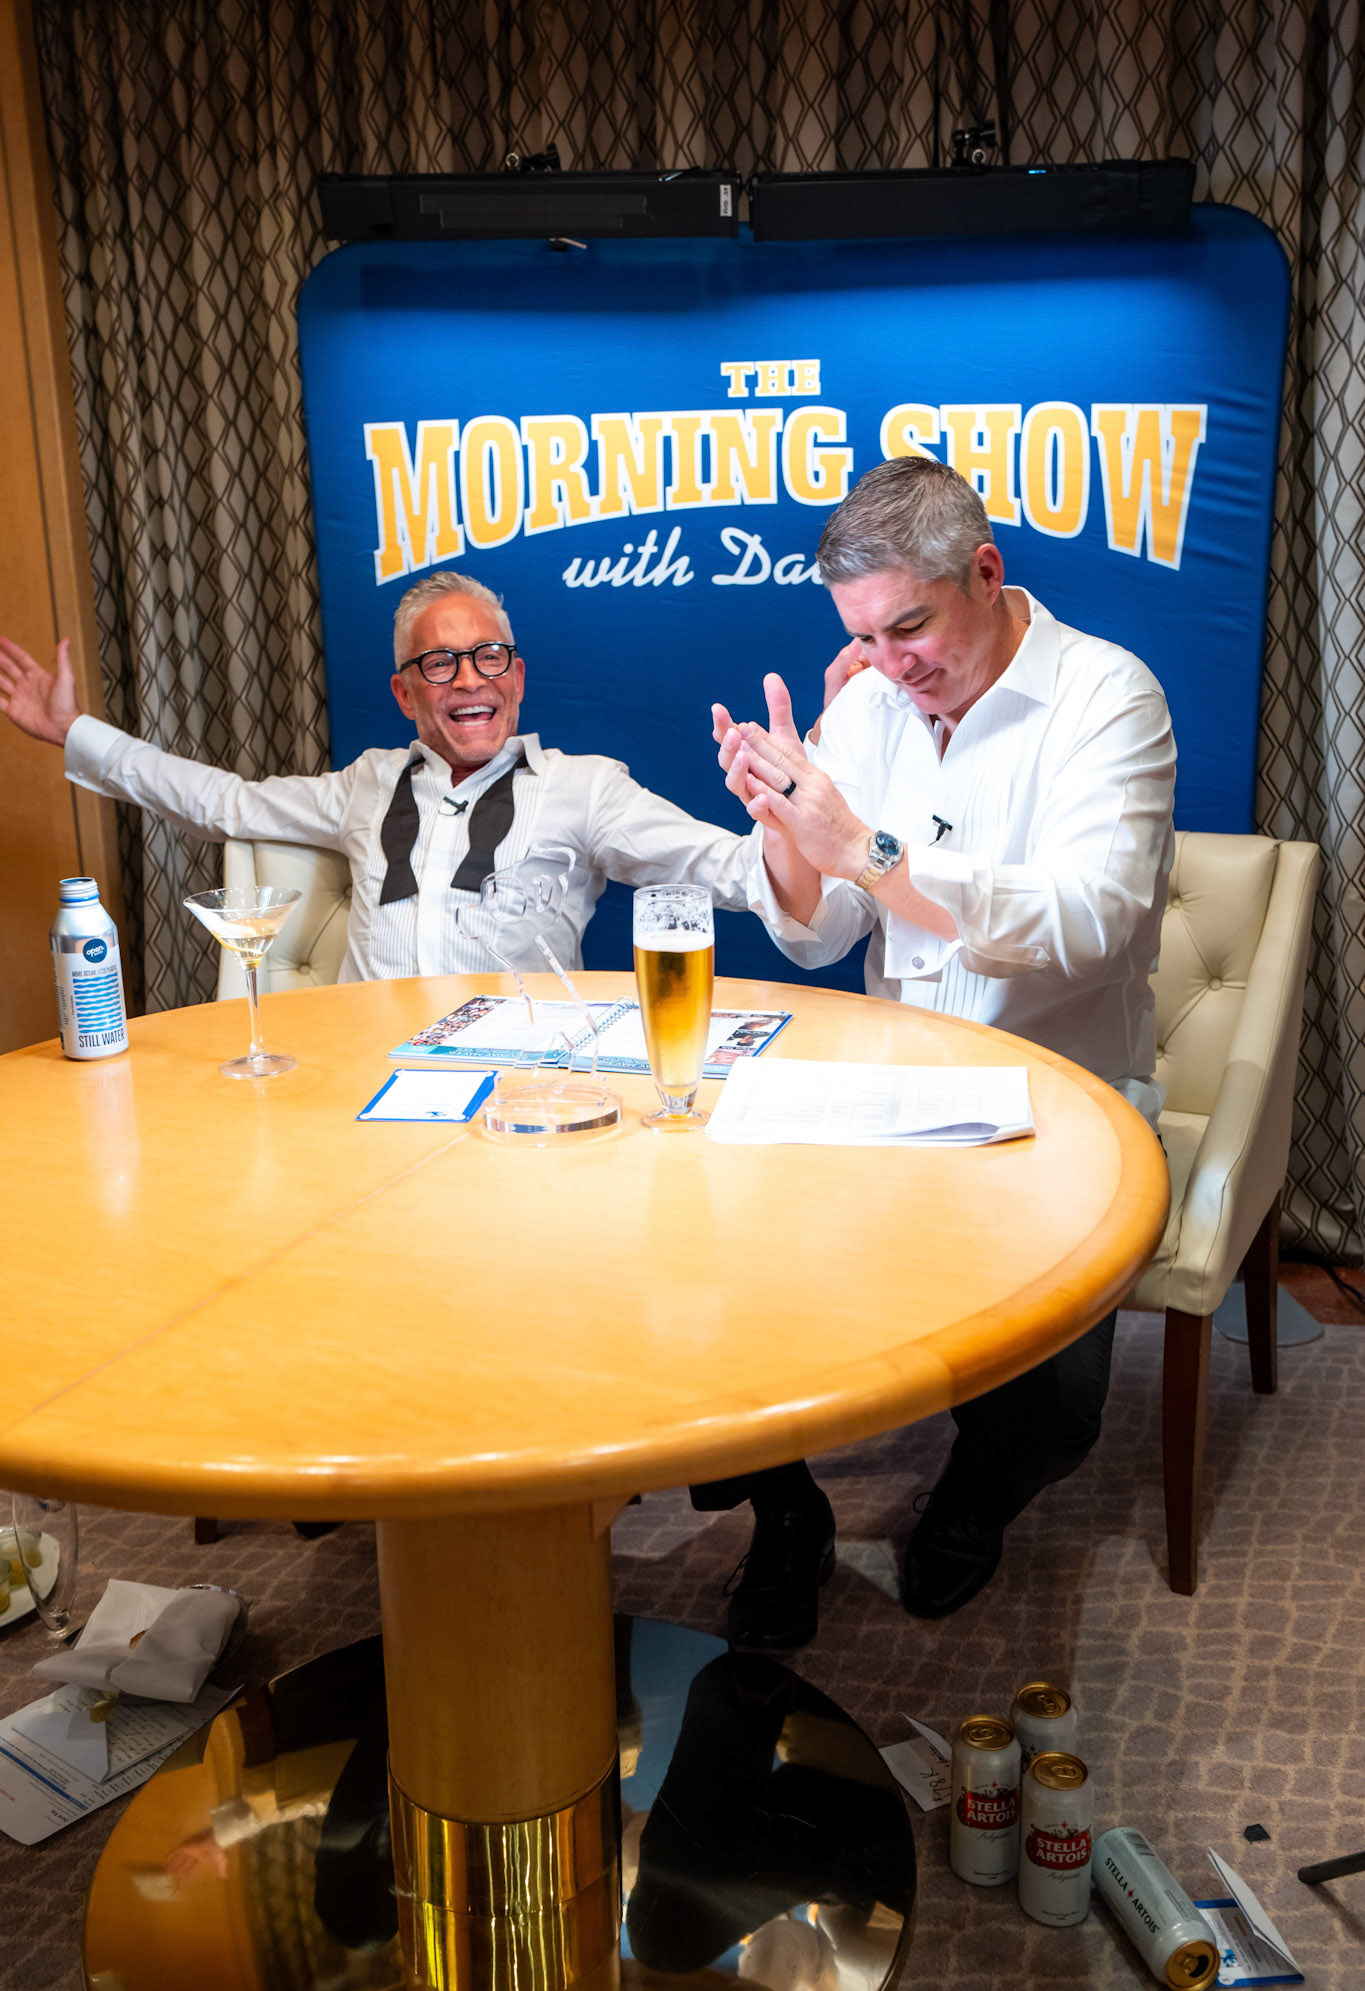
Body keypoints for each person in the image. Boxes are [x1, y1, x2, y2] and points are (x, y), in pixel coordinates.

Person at [704, 455, 1176, 1650]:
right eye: (862, 635)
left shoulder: (1110, 695)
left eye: (909, 626)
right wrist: (786, 832)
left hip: (1064, 1100)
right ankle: (788, 1509)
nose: (888, 663)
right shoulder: (868, 704)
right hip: (894, 1090)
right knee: (708, 1273)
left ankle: (975, 1490)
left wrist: (864, 847)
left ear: (986, 571)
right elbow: (821, 935)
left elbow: (1088, 921)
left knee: (1053, 1413)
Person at [0, 570, 755, 978]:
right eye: (440, 663)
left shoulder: (585, 788)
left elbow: (726, 867)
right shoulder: (366, 783)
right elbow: (224, 804)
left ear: (517, 678)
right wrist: (75, 732)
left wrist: (806, 816)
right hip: (367, 1072)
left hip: (520, 1076)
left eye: (489, 658)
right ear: (404, 694)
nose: (470, 679)